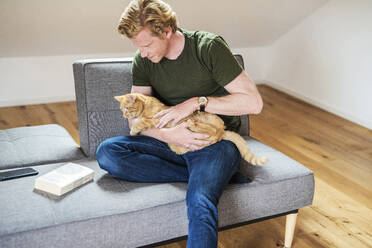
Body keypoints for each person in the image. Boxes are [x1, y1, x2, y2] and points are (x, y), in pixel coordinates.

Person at [96, 0, 263, 247]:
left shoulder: (208, 47)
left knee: (199, 200)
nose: (142, 53)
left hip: (212, 142)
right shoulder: (143, 60)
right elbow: (134, 116)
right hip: (171, 142)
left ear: (166, 31)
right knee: (108, 152)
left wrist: (197, 102)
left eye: (147, 45)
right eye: (138, 47)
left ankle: (208, 177)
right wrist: (168, 136)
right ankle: (215, 176)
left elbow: (253, 103)